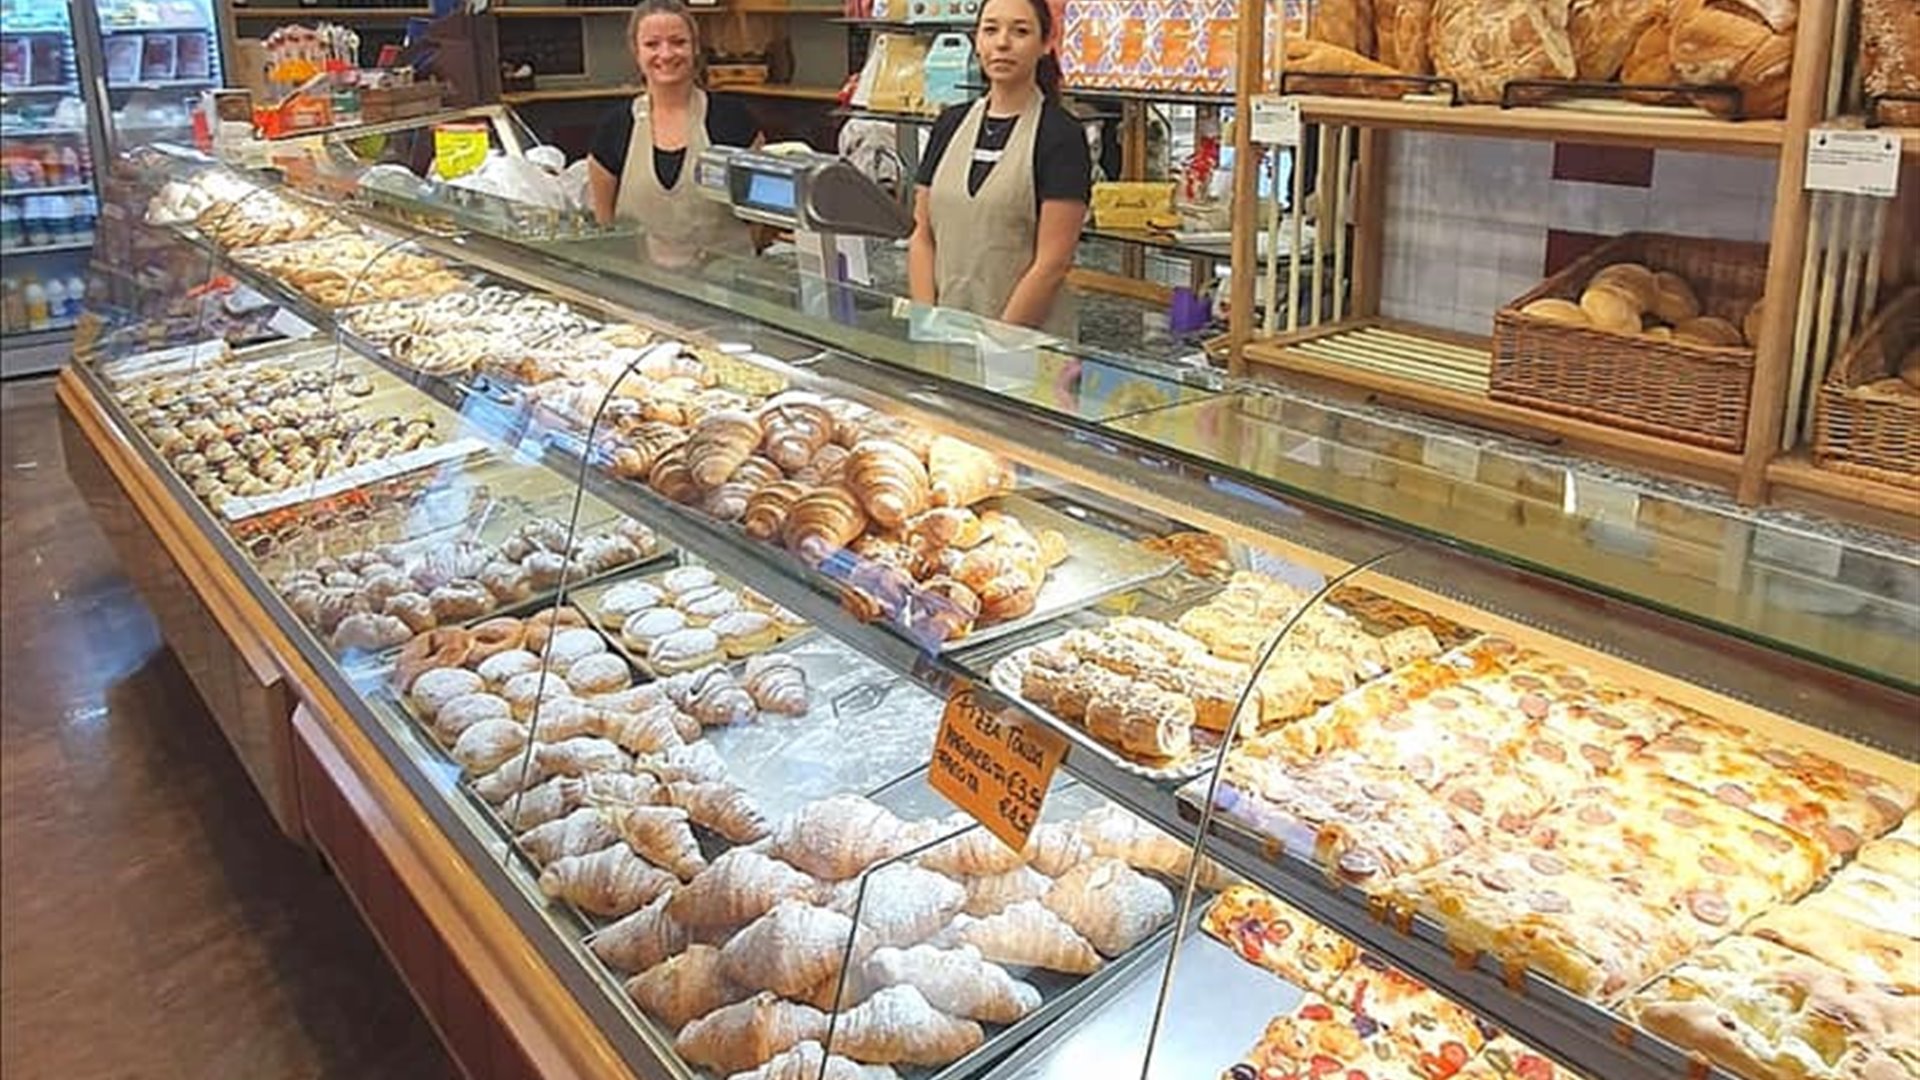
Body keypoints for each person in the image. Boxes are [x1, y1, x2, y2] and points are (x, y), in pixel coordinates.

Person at [908, 0, 1090, 337]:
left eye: (1020, 31)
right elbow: (922, 235)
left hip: (1025, 344)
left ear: (1046, 43)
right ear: (976, 41)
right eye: (990, 30)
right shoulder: (949, 124)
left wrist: (998, 342)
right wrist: (926, 322)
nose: (1002, 43)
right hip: (944, 334)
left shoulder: (1060, 135)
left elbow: (1052, 264)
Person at [587, 0, 760, 261]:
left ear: (695, 47)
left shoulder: (734, 120)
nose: (666, 54)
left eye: (678, 42)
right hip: (639, 281)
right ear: (636, 51)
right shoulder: (614, 127)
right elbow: (605, 224)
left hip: (726, 281)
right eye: (652, 44)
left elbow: (760, 218)